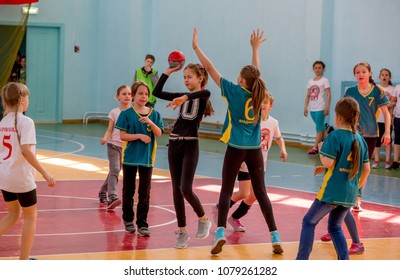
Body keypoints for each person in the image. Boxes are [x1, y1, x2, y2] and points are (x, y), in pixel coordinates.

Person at [193, 27, 283, 255]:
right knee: (261, 193)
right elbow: (257, 75)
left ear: (241, 79)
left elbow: (211, 69)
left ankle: (220, 233)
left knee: (225, 191)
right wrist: (255, 48)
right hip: (254, 150)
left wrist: (196, 48)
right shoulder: (259, 93)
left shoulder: (233, 91)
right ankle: (275, 236)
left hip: (235, 149)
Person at [296, 97, 370, 260]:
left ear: (339, 117)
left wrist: (321, 150)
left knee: (309, 222)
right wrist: (356, 187)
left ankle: (301, 261)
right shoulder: (360, 140)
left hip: (331, 192)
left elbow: (328, 161)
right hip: (348, 193)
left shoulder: (335, 136)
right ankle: (344, 261)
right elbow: (366, 169)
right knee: (335, 227)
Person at [152, 63, 214, 249]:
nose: (186, 80)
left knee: (186, 188)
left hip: (190, 144)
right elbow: (157, 92)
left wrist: (183, 99)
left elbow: (205, 93)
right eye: (184, 77)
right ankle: (183, 231)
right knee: (176, 190)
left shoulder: (202, 96)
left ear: (200, 78)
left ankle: (203, 218)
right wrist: (168, 72)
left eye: (189, 77)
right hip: (174, 143)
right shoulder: (181, 96)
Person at [216, 92, 288, 232]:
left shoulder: (273, 123)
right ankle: (222, 208)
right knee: (244, 193)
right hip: (246, 161)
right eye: (260, 102)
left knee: (254, 195)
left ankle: (234, 217)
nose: (262, 105)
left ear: (271, 106)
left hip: (261, 164)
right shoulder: (253, 120)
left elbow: (279, 138)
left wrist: (283, 150)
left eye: (265, 103)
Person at [0, 82, 55, 260]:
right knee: (30, 217)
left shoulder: (2, 122)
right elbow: (26, 150)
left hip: (5, 176)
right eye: (28, 97)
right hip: (22, 178)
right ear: (22, 99)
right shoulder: (26, 122)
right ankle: (23, 261)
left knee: (13, 214)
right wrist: (45, 173)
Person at [115, 81, 163, 237]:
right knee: (128, 191)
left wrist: (150, 122)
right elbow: (122, 136)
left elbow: (159, 133)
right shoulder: (126, 114)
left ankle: (142, 224)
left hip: (147, 159)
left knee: (145, 192)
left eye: (146, 94)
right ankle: (128, 220)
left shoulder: (154, 114)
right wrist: (139, 136)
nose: (144, 96)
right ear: (134, 95)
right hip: (130, 158)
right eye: (140, 93)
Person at [344, 62, 390, 212]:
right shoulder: (350, 91)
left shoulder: (378, 91)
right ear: (354, 75)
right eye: (357, 72)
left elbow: (386, 113)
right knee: (351, 165)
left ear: (369, 73)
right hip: (353, 134)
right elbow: (344, 111)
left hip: (370, 135)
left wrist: (387, 132)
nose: (360, 74)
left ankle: (357, 199)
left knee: (364, 168)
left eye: (363, 71)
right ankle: (346, 197)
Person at [98, 85, 132, 209]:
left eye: (129, 94)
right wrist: (105, 138)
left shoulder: (134, 112)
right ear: (117, 97)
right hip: (113, 145)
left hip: (126, 147)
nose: (127, 96)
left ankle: (103, 191)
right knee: (116, 169)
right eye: (124, 94)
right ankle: (112, 196)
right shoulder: (114, 112)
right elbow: (109, 130)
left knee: (115, 170)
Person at [303, 61, 331, 155]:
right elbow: (307, 95)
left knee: (319, 128)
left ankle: (315, 148)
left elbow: (329, 94)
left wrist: (327, 107)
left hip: (320, 107)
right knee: (321, 128)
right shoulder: (310, 81)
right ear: (313, 69)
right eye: (316, 68)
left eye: (319, 68)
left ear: (323, 69)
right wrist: (305, 107)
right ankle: (330, 145)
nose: (317, 69)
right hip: (312, 109)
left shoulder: (324, 80)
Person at [372, 68, 395, 169]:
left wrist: (389, 104)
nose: (384, 76)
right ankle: (376, 160)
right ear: (379, 77)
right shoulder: (376, 88)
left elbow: (394, 102)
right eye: (382, 75)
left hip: (387, 119)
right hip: (376, 119)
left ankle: (387, 161)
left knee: (387, 140)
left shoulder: (392, 89)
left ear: (389, 77)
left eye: (386, 75)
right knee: (377, 140)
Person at [391, 83, 400, 170]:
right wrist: (391, 116)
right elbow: (393, 101)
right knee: (397, 139)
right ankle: (395, 161)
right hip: (398, 117)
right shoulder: (397, 87)